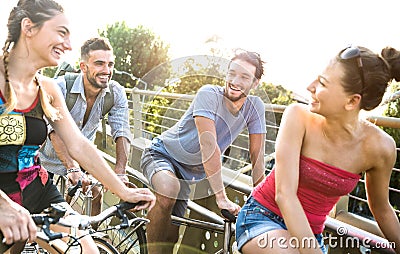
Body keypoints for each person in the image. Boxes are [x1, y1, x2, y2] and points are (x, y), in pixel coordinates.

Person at [0, 0, 155, 252]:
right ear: (28, 28)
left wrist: (122, 190)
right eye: (60, 32)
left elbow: (79, 144)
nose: (69, 45)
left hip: (35, 189)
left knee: (86, 248)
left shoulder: (47, 89)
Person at [236, 45, 400, 254]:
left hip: (309, 235)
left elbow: (382, 208)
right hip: (261, 217)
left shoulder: (381, 148)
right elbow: (285, 194)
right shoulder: (297, 116)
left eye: (322, 83)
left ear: (352, 101)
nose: (309, 86)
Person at [140, 49, 267, 253]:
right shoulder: (209, 93)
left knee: (171, 236)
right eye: (232, 73)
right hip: (162, 154)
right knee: (168, 190)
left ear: (255, 83)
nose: (235, 80)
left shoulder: (255, 107)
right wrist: (221, 197)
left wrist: (262, 201)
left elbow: (256, 155)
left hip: (188, 174)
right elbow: (208, 145)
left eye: (244, 76)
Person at [39, 37, 132, 216]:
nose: (107, 71)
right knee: (46, 212)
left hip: (82, 156)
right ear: (83, 67)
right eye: (99, 64)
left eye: (110, 64)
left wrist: (120, 171)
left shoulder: (115, 92)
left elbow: (122, 131)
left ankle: (93, 235)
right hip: (47, 157)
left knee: (95, 193)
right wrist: (71, 167)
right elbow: (55, 131)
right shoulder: (60, 86)